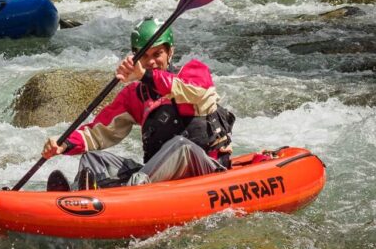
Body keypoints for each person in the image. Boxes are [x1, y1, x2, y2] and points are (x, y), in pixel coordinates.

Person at [41, 17, 235, 191]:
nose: (151, 62)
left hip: (204, 171)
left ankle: (126, 191)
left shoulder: (193, 72)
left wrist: (145, 76)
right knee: (93, 159)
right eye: (144, 56)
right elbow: (99, 132)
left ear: (170, 52)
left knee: (180, 145)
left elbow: (193, 91)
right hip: (157, 178)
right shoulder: (135, 95)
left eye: (157, 54)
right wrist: (65, 143)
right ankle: (77, 196)